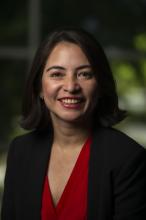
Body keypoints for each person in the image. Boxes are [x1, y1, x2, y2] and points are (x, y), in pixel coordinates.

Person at [1, 27, 146, 220]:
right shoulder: (20, 151)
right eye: (57, 74)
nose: (71, 86)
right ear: (40, 89)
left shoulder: (128, 158)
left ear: (100, 86)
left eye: (84, 74)